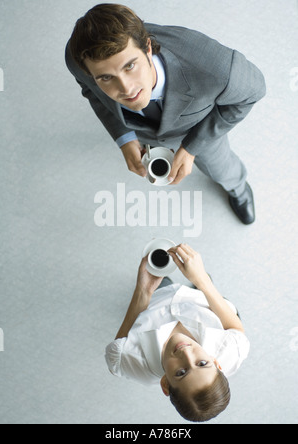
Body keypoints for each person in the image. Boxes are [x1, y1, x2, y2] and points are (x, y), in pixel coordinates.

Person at [65, 4, 266, 225]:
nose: (126, 89)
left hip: (198, 129)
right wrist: (124, 138)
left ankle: (238, 189)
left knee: (222, 169)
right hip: (141, 130)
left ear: (148, 48)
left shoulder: (220, 69)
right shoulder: (76, 61)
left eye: (130, 66)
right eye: (106, 78)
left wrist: (191, 148)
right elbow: (92, 93)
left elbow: (253, 93)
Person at [105, 244, 250, 422]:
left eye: (181, 372)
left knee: (162, 281)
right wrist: (202, 280)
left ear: (165, 384)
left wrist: (144, 291)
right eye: (203, 363)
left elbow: (117, 355)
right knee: (209, 288)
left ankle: (165, 283)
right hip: (206, 304)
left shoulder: (130, 357)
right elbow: (236, 329)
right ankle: (199, 285)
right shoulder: (231, 352)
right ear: (216, 363)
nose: (186, 353)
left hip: (157, 300)